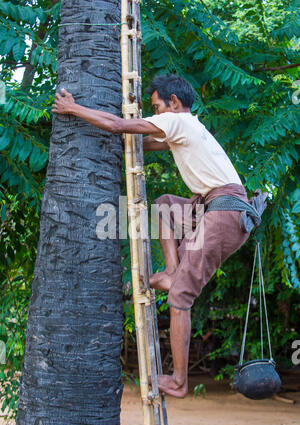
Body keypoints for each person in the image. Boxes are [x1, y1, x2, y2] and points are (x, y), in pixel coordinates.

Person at [52, 74, 250, 398]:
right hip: (218, 207)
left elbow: (119, 126)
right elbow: (138, 141)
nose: (155, 112)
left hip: (224, 212)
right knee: (165, 207)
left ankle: (179, 380)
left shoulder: (177, 121)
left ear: (173, 103)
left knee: (181, 298)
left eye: (156, 106)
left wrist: (74, 109)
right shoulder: (186, 128)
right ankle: (172, 272)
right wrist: (104, 132)